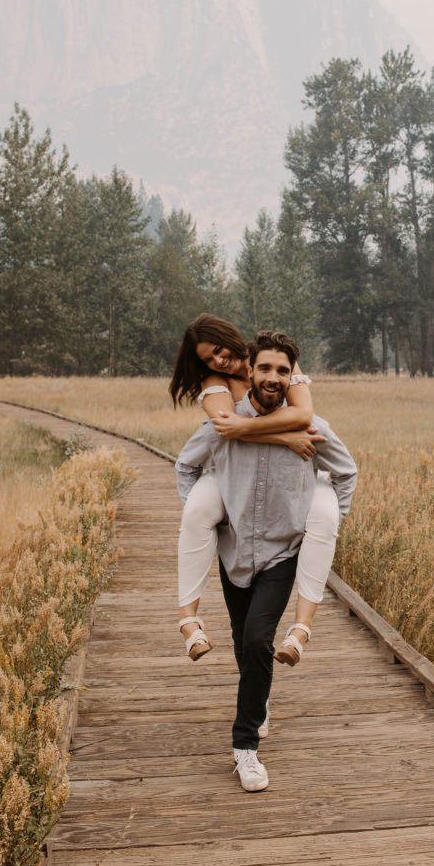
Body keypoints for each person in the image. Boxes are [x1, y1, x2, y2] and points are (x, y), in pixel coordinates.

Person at [175, 331, 357, 790]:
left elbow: (346, 470)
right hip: (235, 550)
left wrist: (328, 521)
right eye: (264, 369)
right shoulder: (223, 422)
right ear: (248, 370)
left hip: (282, 551)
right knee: (243, 645)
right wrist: (208, 517)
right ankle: (259, 701)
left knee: (258, 640)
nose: (273, 378)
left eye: (283, 371)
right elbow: (186, 466)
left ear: (292, 375)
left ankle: (245, 748)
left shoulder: (314, 427)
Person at [169, 313, 340, 667]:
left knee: (325, 516)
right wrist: (284, 438)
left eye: (218, 350)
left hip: (275, 493)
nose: (217, 360)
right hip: (228, 472)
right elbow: (228, 428)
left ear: (232, 338)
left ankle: (301, 630)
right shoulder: (215, 381)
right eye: (206, 358)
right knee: (198, 511)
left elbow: (303, 416)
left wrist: (289, 433)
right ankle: (188, 619)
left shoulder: (271, 362)